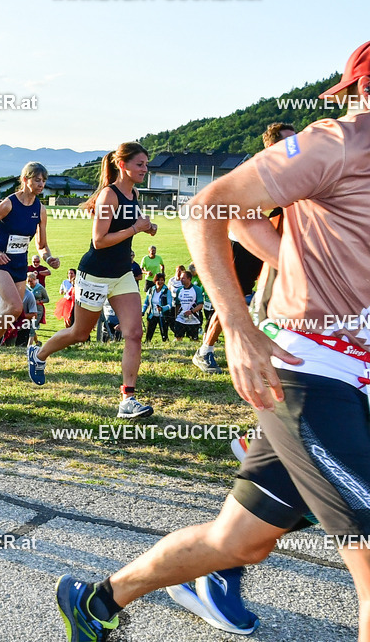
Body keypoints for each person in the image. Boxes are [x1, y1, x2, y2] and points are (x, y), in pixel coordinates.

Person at [56, 41, 370, 641]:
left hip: (356, 380)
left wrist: (296, 259)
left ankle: (94, 602)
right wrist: (241, 328)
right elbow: (208, 206)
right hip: (310, 370)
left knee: (239, 542)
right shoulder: (340, 141)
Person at [26, 143, 156, 419]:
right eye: (140, 164)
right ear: (123, 165)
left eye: (146, 164)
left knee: (134, 333)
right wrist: (136, 228)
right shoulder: (109, 195)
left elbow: (129, 226)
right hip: (95, 275)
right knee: (79, 333)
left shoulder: (133, 193)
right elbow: (99, 241)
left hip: (121, 275)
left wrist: (146, 227)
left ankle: (128, 399)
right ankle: (38, 355)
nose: (145, 169)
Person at [193, 122, 297, 374]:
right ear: (272, 146)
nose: (296, 147)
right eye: (290, 142)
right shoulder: (258, 172)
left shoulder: (292, 173)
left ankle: (273, 351)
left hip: (275, 246)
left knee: (272, 297)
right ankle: (204, 350)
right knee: (235, 299)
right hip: (244, 245)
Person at [0, 162, 59, 373]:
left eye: (44, 181)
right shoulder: (9, 204)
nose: (41, 184)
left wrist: (49, 257)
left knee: (9, 313)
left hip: (19, 265)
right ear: (25, 179)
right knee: (16, 307)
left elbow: (41, 245)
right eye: (37, 180)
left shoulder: (40, 209)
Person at [171, 270, 203, 341]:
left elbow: (200, 304)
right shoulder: (179, 290)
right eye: (181, 278)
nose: (181, 280)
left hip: (193, 319)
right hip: (181, 318)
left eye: (183, 278)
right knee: (178, 338)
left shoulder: (197, 289)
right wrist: (176, 316)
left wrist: (192, 311)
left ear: (189, 279)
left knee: (193, 339)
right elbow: (178, 304)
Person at [142, 273, 172, 342]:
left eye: (162, 280)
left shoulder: (167, 291)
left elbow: (169, 305)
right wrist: (143, 311)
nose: (160, 282)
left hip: (163, 316)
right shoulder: (151, 290)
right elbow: (146, 302)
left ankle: (167, 346)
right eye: (158, 280)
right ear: (155, 281)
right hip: (152, 315)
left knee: (164, 335)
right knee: (148, 336)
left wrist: (162, 308)